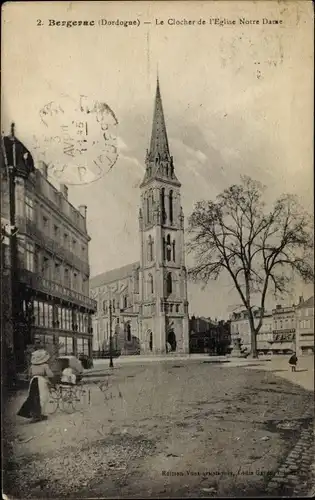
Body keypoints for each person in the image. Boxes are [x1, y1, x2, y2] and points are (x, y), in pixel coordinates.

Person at [17, 349, 54, 423]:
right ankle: (38, 415)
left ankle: (33, 414)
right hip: (41, 381)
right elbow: (50, 375)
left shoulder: (32, 366)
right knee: (42, 397)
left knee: (32, 397)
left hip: (33, 380)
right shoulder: (45, 365)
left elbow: (29, 375)